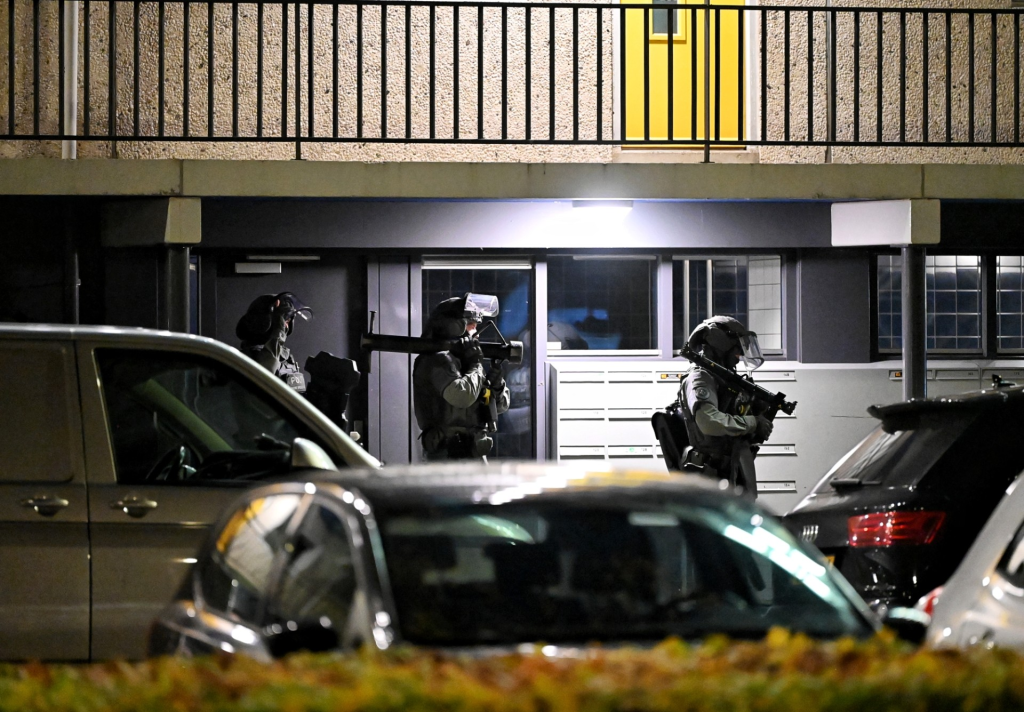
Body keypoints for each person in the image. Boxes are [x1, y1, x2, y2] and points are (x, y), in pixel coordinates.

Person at [677, 315, 773, 496]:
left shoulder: (723, 378)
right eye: (737, 348)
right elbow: (709, 422)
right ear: (721, 342)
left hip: (732, 468)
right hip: (713, 474)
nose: (740, 355)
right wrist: (753, 422)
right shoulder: (701, 378)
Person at [413, 294, 510, 461]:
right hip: (446, 457)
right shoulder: (437, 360)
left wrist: (496, 387)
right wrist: (475, 364)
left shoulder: (465, 360)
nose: (476, 331)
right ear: (454, 326)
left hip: (475, 455)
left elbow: (500, 407)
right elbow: (462, 396)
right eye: (471, 324)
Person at [236, 292, 312, 393]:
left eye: (287, 321)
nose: (285, 326)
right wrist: (278, 334)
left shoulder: (284, 356)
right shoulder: (248, 358)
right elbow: (263, 380)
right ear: (263, 321)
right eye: (281, 320)